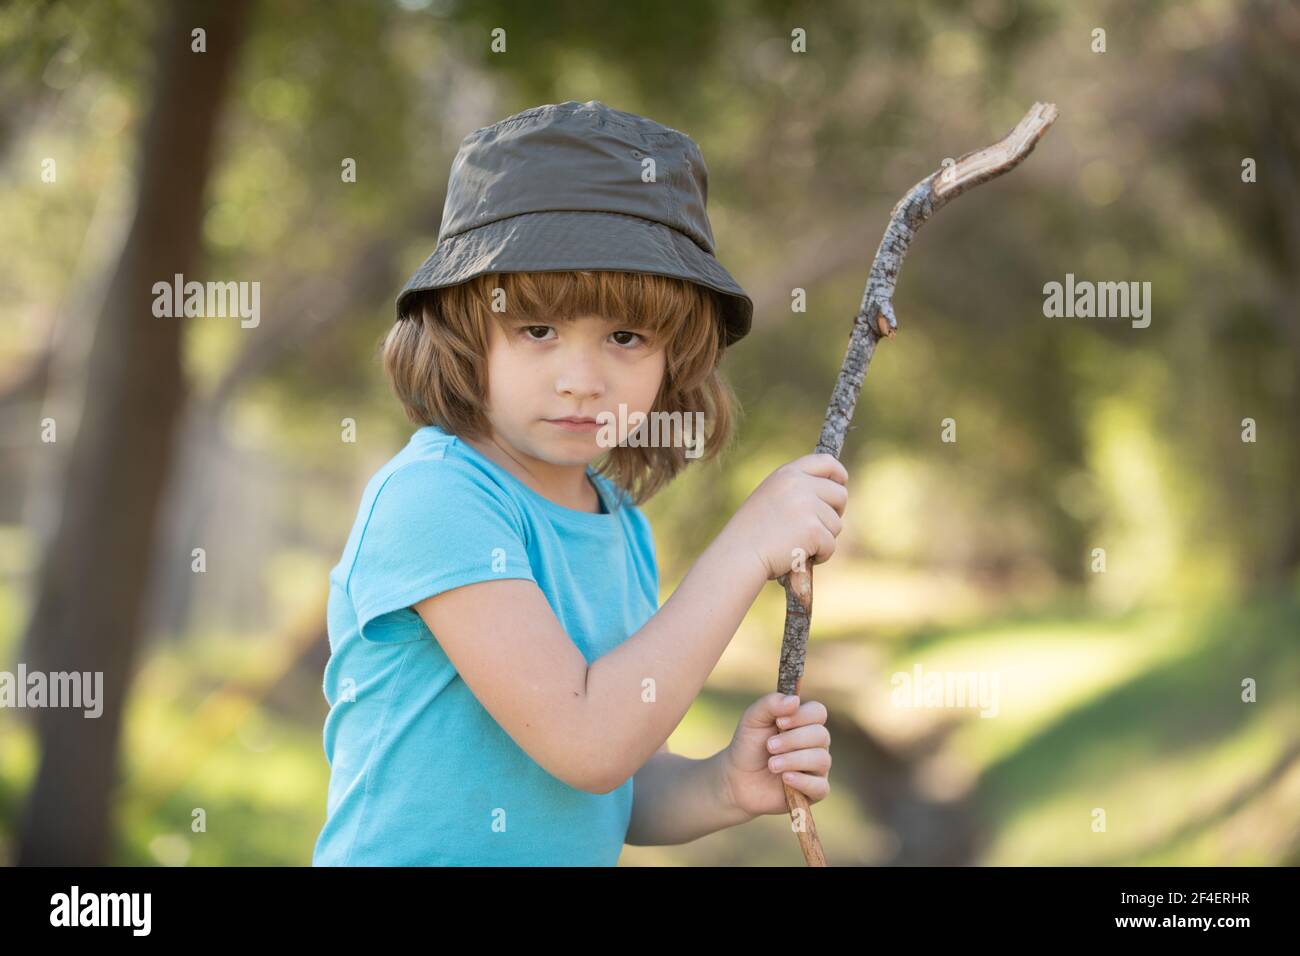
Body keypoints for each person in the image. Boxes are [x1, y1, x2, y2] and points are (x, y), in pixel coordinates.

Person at [312, 100, 849, 865]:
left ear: (676, 356)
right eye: (538, 331)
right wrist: (745, 548)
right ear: (466, 333)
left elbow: (610, 782)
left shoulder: (617, 521)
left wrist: (723, 786)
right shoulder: (435, 499)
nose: (581, 381)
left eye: (625, 337)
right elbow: (586, 738)